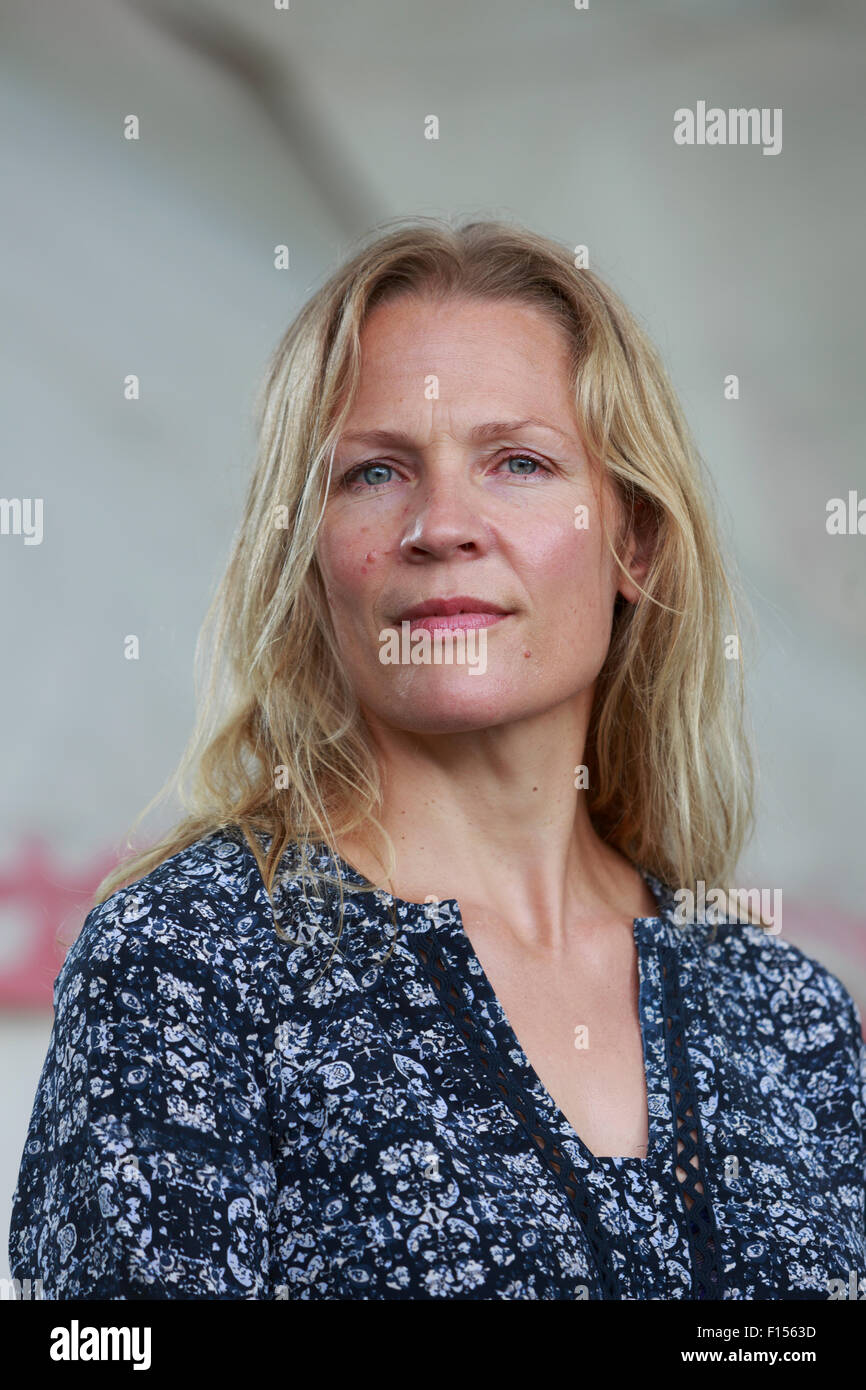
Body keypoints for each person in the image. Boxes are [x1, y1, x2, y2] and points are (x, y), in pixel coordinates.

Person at [9, 218, 864, 1300]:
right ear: (311, 554)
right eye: (375, 472)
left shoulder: (787, 1017)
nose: (441, 525)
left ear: (633, 542)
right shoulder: (185, 967)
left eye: (517, 461)